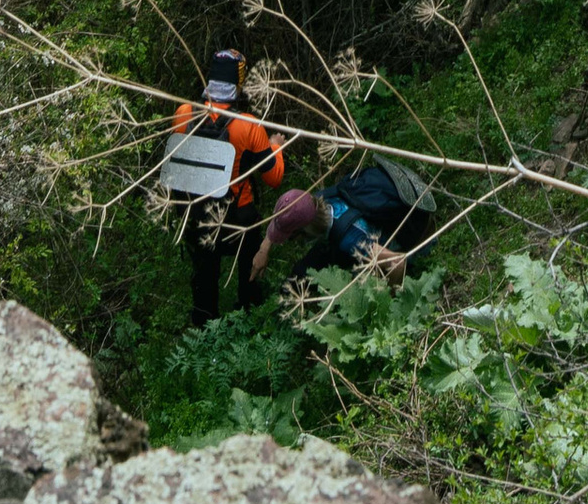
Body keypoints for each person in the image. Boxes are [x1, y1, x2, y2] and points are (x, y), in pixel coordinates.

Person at [166, 48, 286, 320]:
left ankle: (204, 326)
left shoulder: (184, 113)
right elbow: (274, 178)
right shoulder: (249, 126)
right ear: (237, 84)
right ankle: (249, 310)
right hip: (237, 221)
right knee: (249, 265)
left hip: (196, 216)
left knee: (204, 279)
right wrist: (276, 147)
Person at [261, 156, 433, 290]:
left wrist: (390, 299)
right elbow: (290, 213)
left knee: (357, 279)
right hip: (371, 218)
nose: (294, 240)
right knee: (302, 271)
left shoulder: (351, 239)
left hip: (413, 236)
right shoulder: (317, 201)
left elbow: (396, 263)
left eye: (293, 237)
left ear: (306, 230)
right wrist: (264, 249)